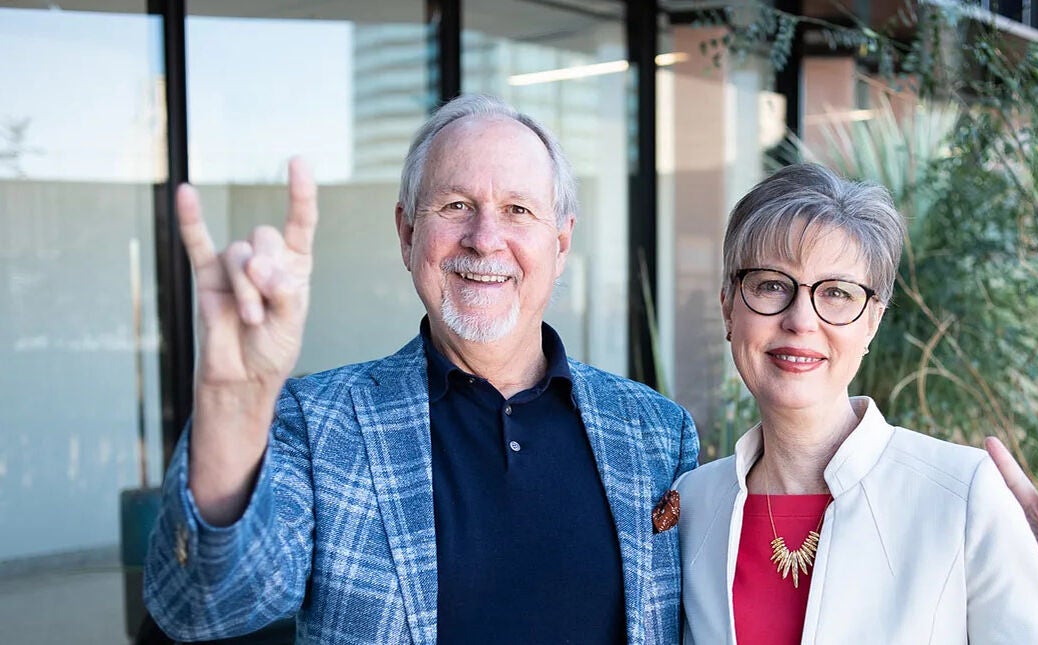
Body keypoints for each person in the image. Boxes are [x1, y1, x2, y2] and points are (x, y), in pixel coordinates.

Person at [143, 94, 699, 644]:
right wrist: (229, 409)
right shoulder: (319, 424)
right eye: (455, 205)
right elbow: (201, 608)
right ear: (408, 233)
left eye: (518, 210)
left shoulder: (654, 433)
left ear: (560, 243)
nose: (484, 241)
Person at [674, 163, 1038, 644]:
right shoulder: (692, 504)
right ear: (727, 307)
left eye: (837, 293)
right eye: (771, 285)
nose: (801, 319)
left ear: (871, 323)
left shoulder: (962, 496)